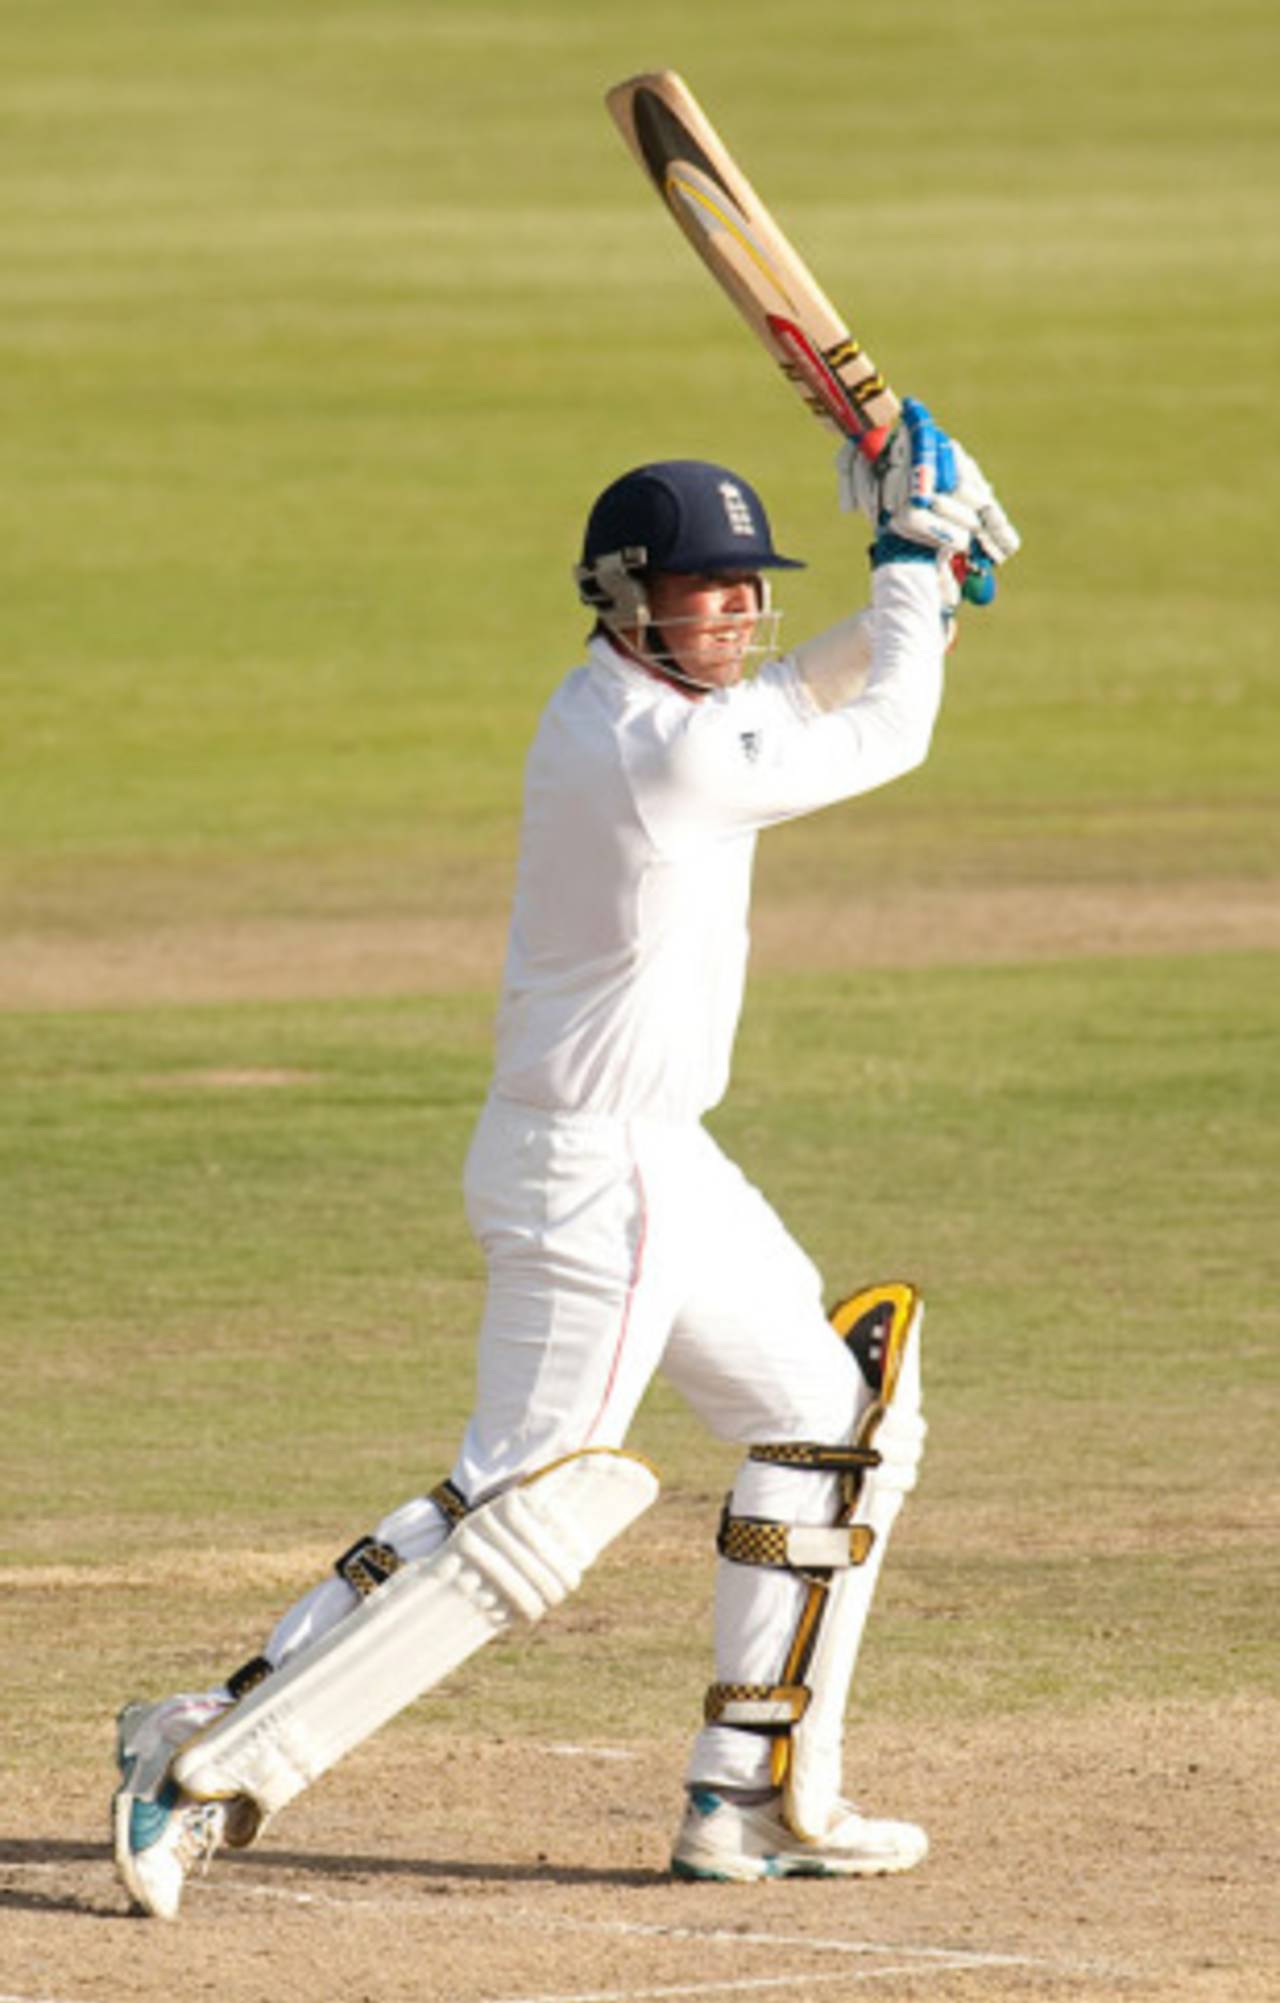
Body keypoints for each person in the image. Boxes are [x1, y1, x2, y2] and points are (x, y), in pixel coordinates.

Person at [112, 400, 1018, 1918]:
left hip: (655, 1156)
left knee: (825, 1409)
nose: (730, 611)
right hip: (598, 1178)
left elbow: (804, 689)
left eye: (745, 584)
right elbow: (885, 732)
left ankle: (755, 1792)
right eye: (700, 589)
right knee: (531, 1504)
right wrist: (915, 565)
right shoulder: (652, 751)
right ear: (624, 600)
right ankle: (203, 1755)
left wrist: (909, 573)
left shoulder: (654, 711)